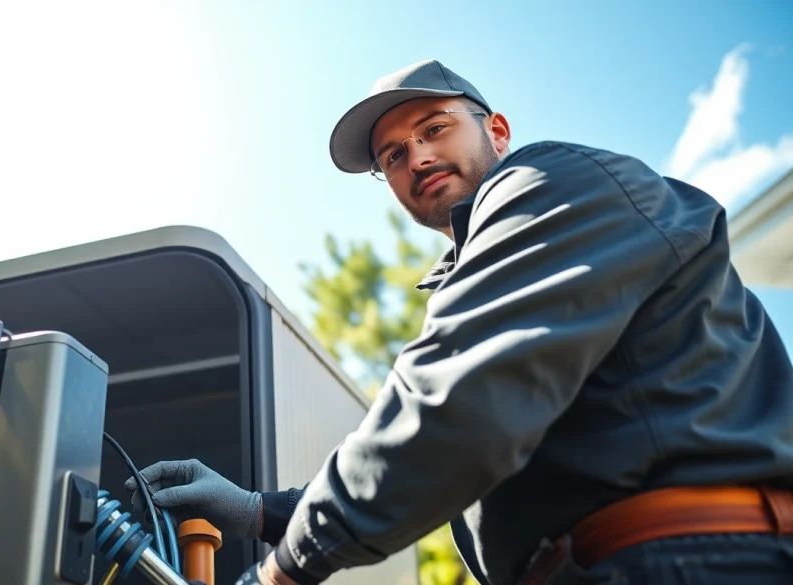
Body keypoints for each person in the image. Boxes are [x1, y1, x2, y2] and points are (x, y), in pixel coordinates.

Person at [125, 59, 793, 585]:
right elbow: (436, 452)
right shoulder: (480, 270)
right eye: (391, 155)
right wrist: (259, 510)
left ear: (496, 130)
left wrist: (278, 571)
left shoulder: (547, 183)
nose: (413, 157)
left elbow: (455, 410)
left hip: (684, 558)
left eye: (434, 127)